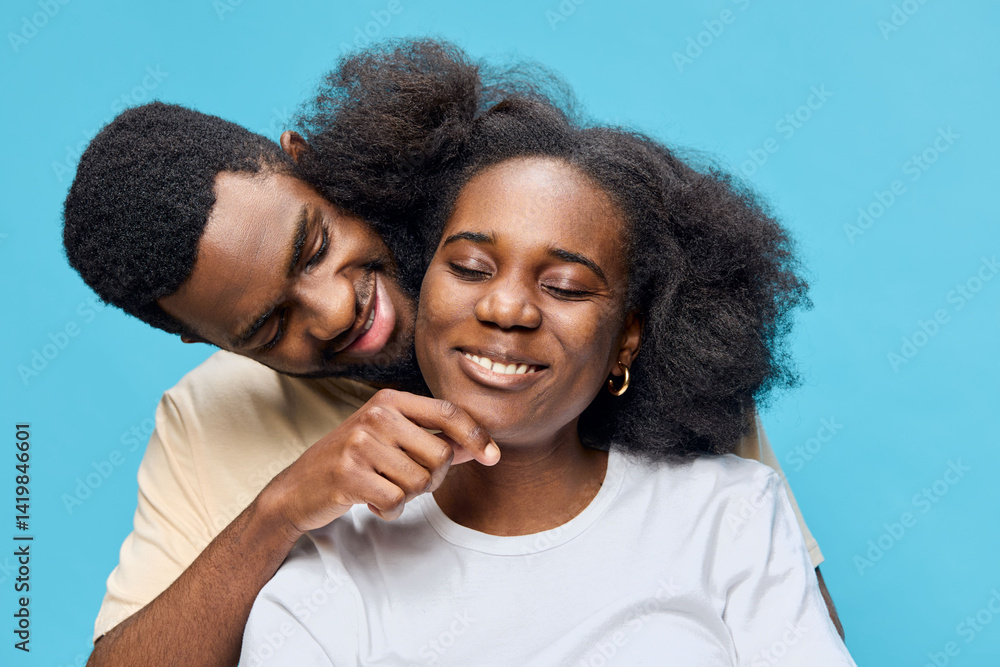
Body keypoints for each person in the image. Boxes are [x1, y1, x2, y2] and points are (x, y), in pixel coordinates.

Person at [61, 40, 836, 665]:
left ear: (310, 165)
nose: (336, 308)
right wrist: (281, 509)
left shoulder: (656, 388)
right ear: (210, 340)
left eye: (315, 245)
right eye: (271, 324)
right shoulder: (214, 432)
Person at [241, 87, 854, 664]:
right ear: (421, 286)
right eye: (471, 268)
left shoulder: (730, 513)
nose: (506, 309)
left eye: (564, 285)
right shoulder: (329, 567)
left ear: (627, 341)